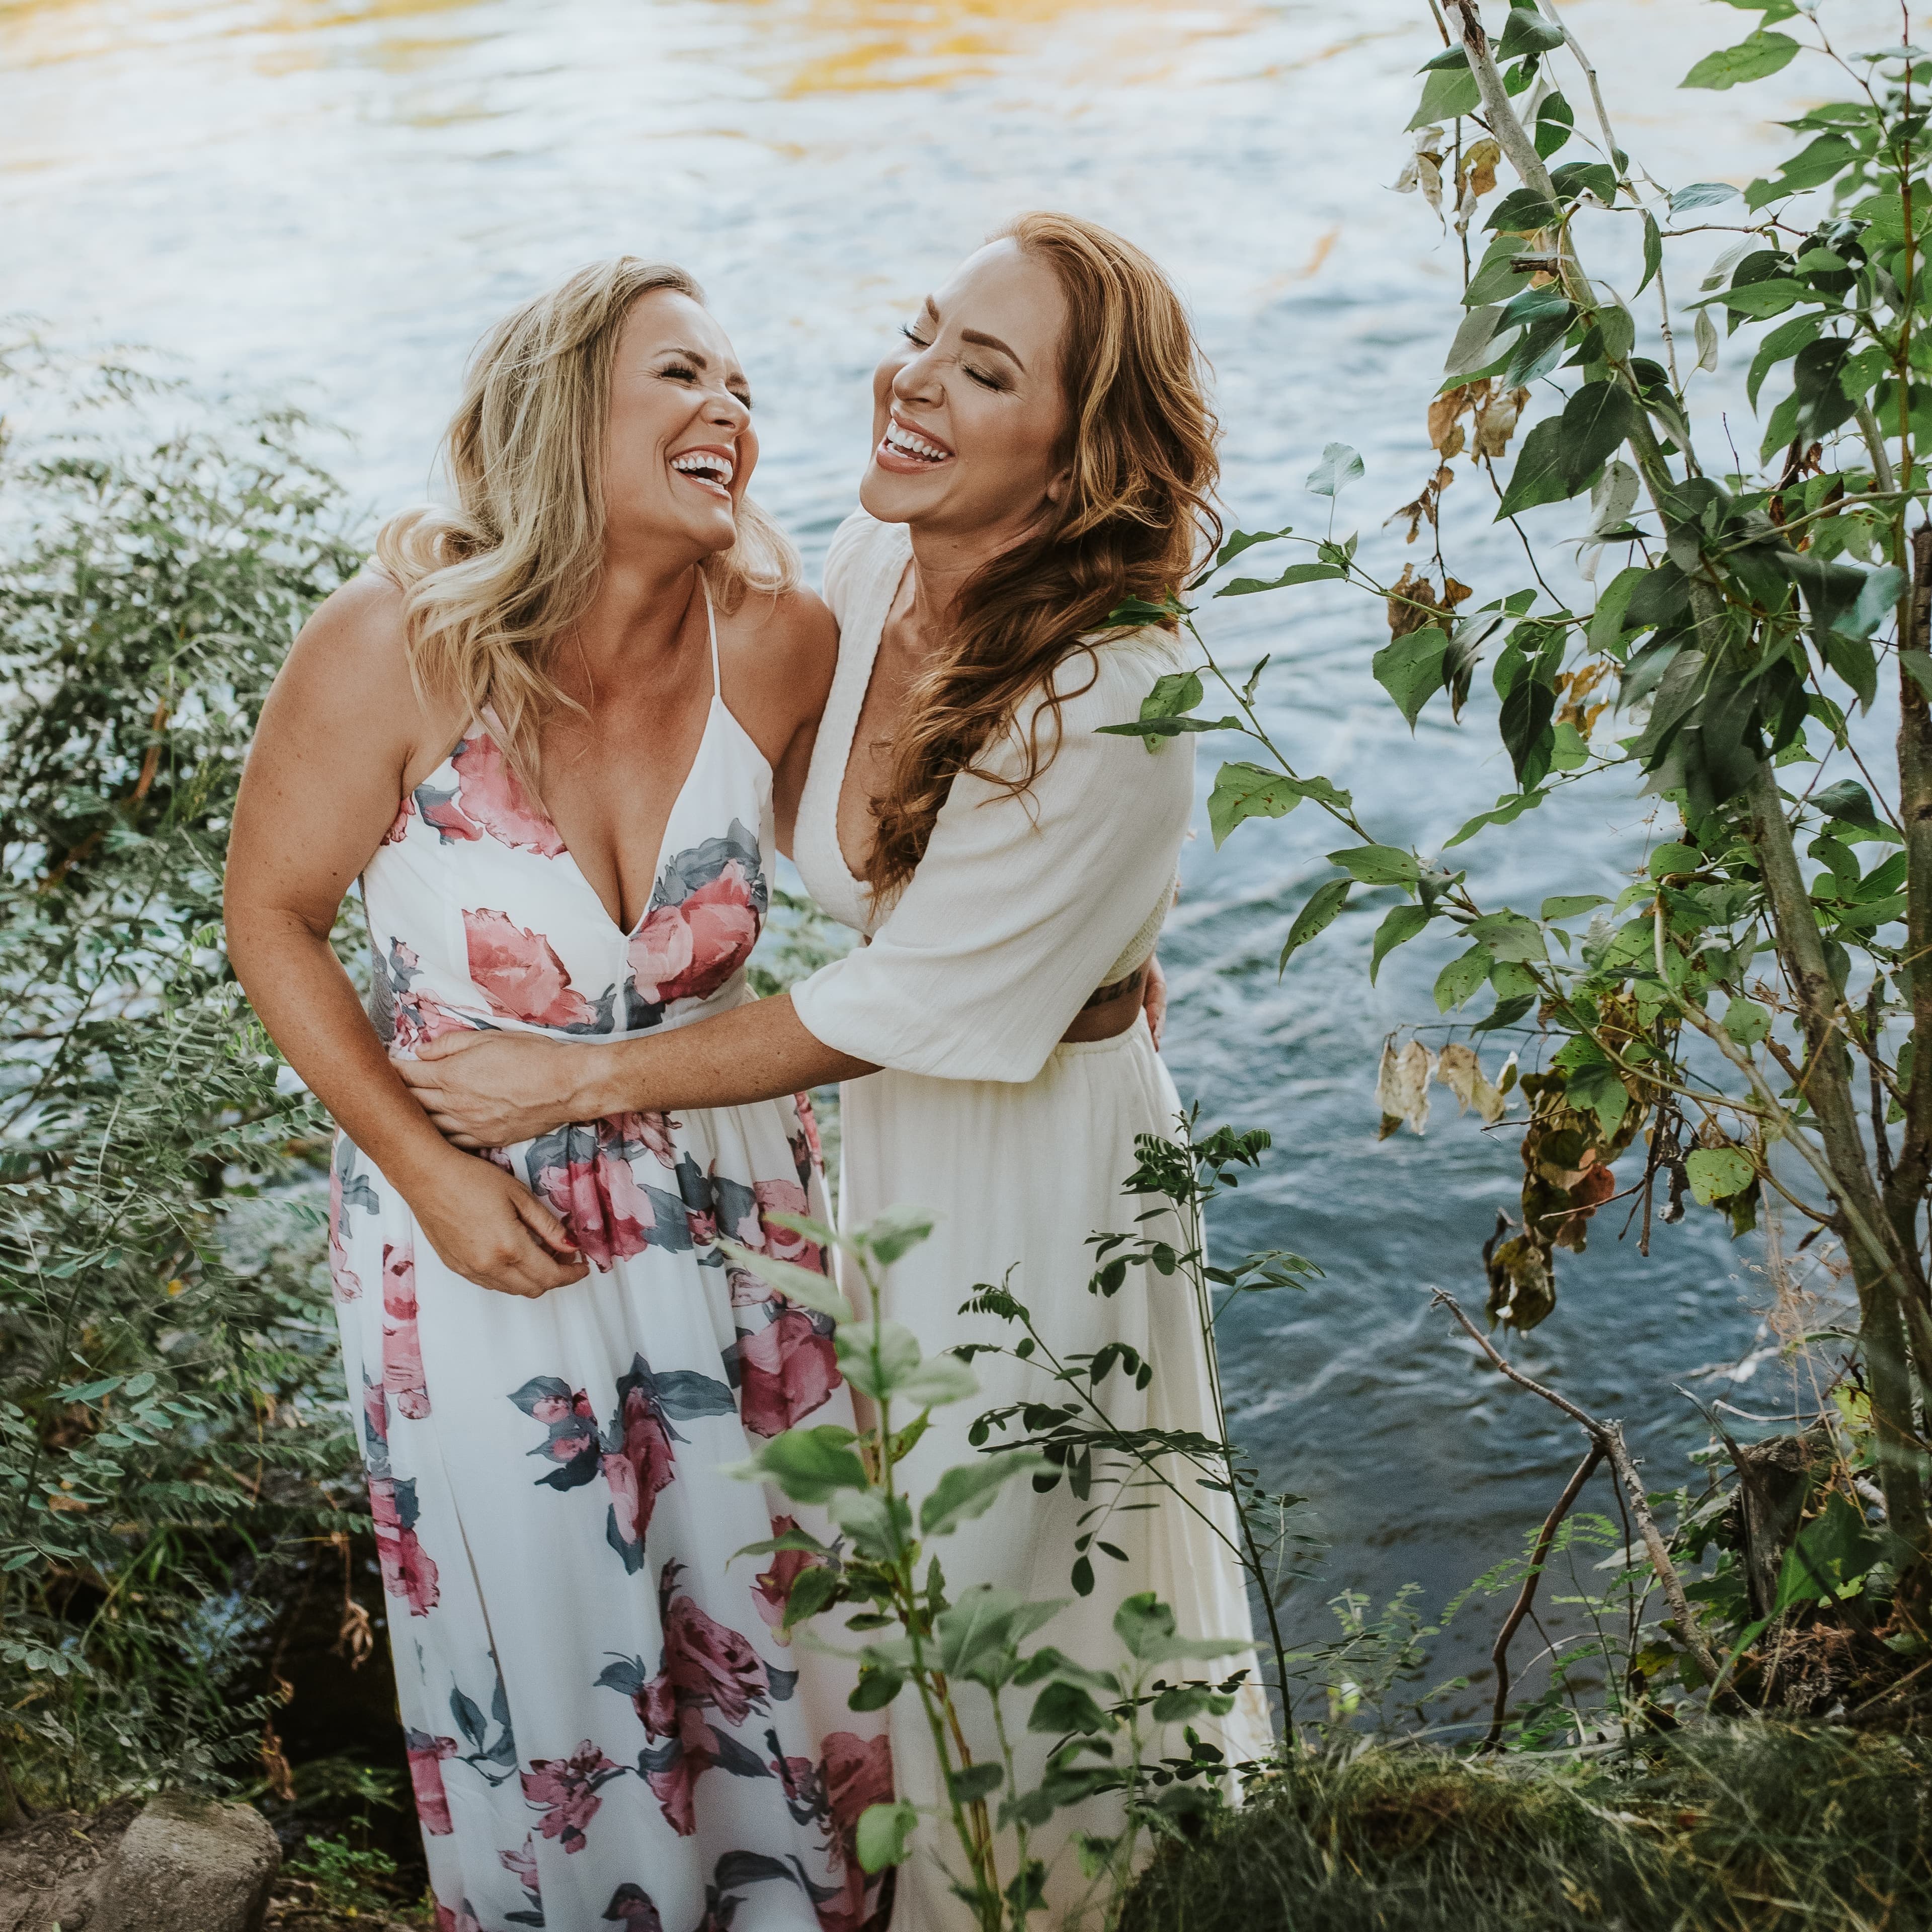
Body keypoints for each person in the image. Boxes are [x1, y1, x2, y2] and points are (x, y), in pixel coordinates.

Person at [399, 214, 1273, 1925]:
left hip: (1036, 1162)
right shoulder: (884, 573)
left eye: (987, 370)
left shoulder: (1116, 690)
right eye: (926, 332)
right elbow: (655, 619)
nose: (917, 382)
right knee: (864, 1585)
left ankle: (1045, 1901)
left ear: (1080, 455)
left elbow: (893, 1000)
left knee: (1002, 1568)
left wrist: (565, 1083)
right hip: (869, 1147)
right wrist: (491, 538)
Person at [224, 259, 893, 1932]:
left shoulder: (785, 645)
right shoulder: (396, 648)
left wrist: (1083, 955)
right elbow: (271, 917)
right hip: (476, 1240)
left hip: (746, 1226)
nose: (730, 408)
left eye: (742, 383)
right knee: (565, 1662)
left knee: (790, 1636)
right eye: (680, 374)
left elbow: (894, 896)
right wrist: (429, 1175)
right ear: (560, 410)